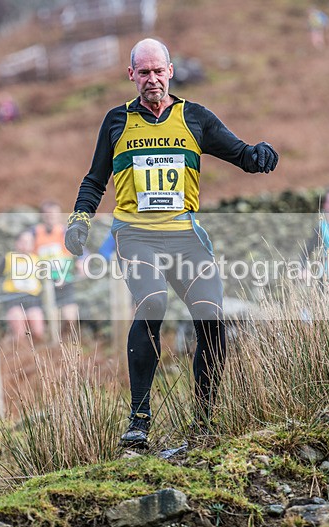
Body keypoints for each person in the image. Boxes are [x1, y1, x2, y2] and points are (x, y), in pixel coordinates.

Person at [63, 38, 278, 448]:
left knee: (212, 320)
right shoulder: (116, 121)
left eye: (158, 71)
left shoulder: (194, 118)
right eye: (143, 72)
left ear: (170, 71)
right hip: (135, 234)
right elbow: (94, 180)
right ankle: (139, 421)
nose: (152, 79)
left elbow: (242, 155)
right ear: (131, 76)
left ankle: (203, 423)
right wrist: (79, 221)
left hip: (184, 235)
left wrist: (262, 155)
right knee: (153, 303)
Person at [32, 201, 80, 338]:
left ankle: (68, 345)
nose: (50, 217)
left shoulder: (66, 232)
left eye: (54, 214)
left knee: (70, 317)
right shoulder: (34, 233)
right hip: (42, 283)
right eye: (47, 214)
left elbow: (82, 251)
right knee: (50, 320)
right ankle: (53, 348)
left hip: (65, 281)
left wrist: (82, 262)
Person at [0, 231, 46, 344]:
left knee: (38, 331)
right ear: (17, 243)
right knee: (20, 333)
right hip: (13, 299)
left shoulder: (37, 260)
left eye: (29, 242)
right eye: (23, 241)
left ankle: (35, 355)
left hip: (33, 299)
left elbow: (47, 278)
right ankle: (16, 353)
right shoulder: (8, 258)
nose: (25, 244)